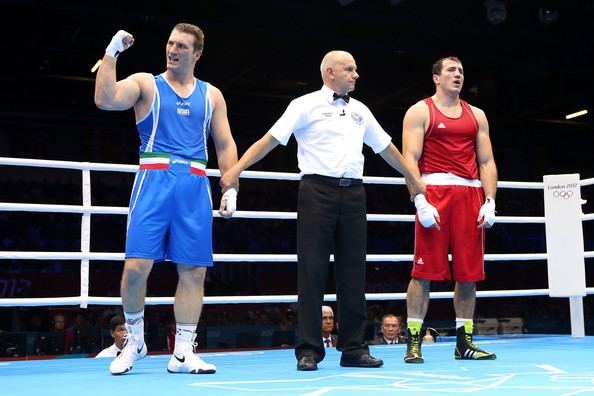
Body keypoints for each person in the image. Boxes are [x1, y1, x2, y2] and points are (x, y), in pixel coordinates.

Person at [220, 50, 425, 371]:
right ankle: (309, 349)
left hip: (354, 192)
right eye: (350, 69)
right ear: (330, 72)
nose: (356, 75)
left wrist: (413, 178)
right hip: (316, 191)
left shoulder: (361, 110)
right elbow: (270, 140)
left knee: (354, 272)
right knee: (312, 271)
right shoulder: (304, 105)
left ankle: (354, 348)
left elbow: (386, 147)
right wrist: (237, 169)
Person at [94, 23, 238, 375]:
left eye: (182, 46)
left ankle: (184, 352)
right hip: (153, 180)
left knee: (194, 270)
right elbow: (105, 98)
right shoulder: (146, 83)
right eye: (170, 43)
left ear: (197, 53)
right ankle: (135, 342)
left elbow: (225, 143)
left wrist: (230, 186)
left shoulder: (212, 95)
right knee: (135, 269)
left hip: (195, 182)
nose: (173, 50)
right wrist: (111, 53)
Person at [401, 56, 498, 363]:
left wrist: (491, 200)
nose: (458, 75)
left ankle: (464, 343)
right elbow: (409, 158)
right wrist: (419, 199)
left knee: (468, 273)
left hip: (470, 194)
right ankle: (414, 342)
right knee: (423, 271)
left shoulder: (477, 115)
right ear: (436, 77)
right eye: (452, 71)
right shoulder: (420, 111)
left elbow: (486, 161)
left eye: (461, 71)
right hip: (435, 193)